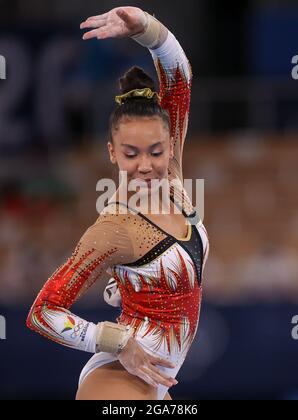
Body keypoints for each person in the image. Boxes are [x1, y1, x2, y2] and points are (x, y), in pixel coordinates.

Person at [26, 6, 210, 400]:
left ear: (170, 146)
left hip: (158, 379)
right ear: (112, 152)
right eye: (131, 154)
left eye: (156, 152)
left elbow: (179, 78)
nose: (146, 166)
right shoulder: (115, 227)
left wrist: (145, 27)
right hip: (119, 378)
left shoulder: (173, 176)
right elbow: (43, 312)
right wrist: (115, 341)